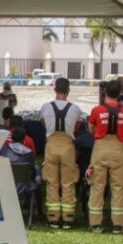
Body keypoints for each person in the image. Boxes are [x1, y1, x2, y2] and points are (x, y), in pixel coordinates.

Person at [87, 79, 123, 233]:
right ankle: (118, 224)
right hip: (118, 149)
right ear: (119, 93)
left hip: (100, 148)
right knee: (118, 186)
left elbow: (91, 128)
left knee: (97, 186)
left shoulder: (97, 110)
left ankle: (95, 223)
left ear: (105, 92)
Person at [40, 78, 84, 229]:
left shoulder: (46, 107)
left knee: (52, 181)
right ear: (68, 90)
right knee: (68, 181)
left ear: (54, 89)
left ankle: (53, 217)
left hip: (51, 144)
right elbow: (77, 128)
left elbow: (43, 124)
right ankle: (68, 218)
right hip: (67, 146)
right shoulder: (75, 109)